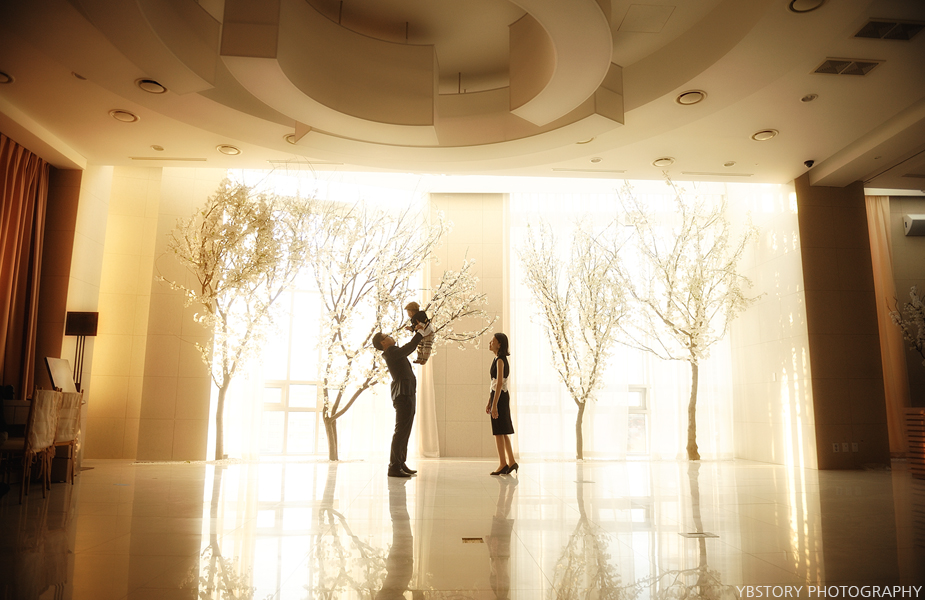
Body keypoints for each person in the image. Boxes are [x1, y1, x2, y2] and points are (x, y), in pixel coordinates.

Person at [373, 328, 423, 478]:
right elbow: (409, 347)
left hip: (406, 393)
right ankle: (394, 466)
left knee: (405, 431)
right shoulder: (391, 352)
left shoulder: (393, 352)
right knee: (401, 431)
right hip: (403, 394)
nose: (391, 336)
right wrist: (420, 334)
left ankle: (400, 463)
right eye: (387, 336)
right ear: (383, 342)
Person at [486, 332, 517, 476]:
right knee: (503, 431)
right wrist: (490, 401)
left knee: (499, 431)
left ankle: (503, 463)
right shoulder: (497, 359)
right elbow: (494, 384)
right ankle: (511, 462)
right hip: (498, 396)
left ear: (499, 344)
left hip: (500, 397)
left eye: (493, 341)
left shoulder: (500, 361)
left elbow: (499, 383)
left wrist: (494, 405)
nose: (490, 343)